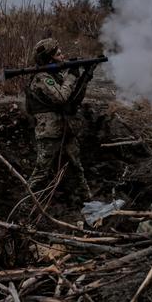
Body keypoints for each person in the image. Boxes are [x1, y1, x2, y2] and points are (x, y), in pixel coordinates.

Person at [24, 38, 97, 206]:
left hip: (64, 128)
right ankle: (26, 205)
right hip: (49, 132)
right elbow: (61, 97)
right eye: (58, 54)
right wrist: (71, 76)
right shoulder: (42, 77)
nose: (62, 56)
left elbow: (72, 99)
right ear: (49, 58)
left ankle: (88, 201)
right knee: (41, 172)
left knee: (77, 167)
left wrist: (84, 76)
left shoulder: (53, 75)